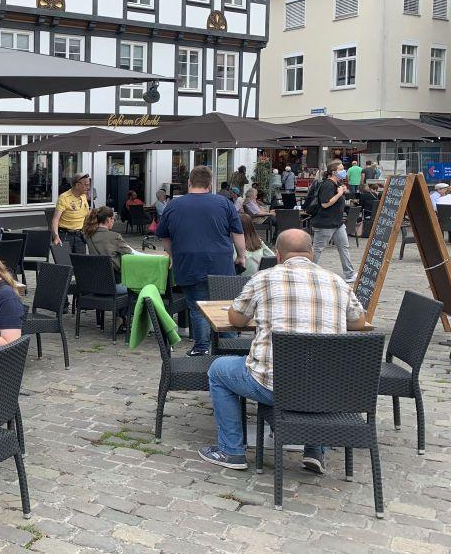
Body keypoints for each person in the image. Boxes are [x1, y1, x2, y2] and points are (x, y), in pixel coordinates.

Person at [198, 229, 367, 472]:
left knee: (218, 370)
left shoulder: (264, 279)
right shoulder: (337, 281)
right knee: (316, 367)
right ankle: (315, 450)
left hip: (272, 386)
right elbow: (359, 323)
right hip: (327, 390)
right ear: (311, 253)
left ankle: (231, 450)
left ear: (278, 255)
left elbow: (236, 319)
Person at [156, 165, 245, 357]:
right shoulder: (224, 203)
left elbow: (164, 236)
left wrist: (173, 254)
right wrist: (242, 256)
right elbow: (237, 232)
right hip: (220, 262)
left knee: (197, 306)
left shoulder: (173, 205)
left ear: (189, 182)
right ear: (210, 184)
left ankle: (201, 347)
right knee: (224, 306)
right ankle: (229, 347)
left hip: (188, 261)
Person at [310, 160, 355, 283]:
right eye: (341, 169)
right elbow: (325, 203)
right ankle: (309, 273)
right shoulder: (328, 185)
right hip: (325, 223)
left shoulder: (336, 184)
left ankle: (349, 273)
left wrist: (342, 191)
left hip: (337, 223)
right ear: (334, 172)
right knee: (318, 248)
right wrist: (339, 194)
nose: (344, 171)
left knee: (344, 247)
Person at [83, 206, 133, 275]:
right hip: (114, 278)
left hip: (95, 276)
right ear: (109, 219)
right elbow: (129, 252)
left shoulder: (88, 235)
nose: (114, 221)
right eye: (114, 219)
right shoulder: (115, 236)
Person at [50, 172, 91, 253]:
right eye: (86, 185)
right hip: (65, 235)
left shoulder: (84, 196)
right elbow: (55, 219)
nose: (88, 187)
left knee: (81, 262)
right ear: (77, 185)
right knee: (64, 263)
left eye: (88, 184)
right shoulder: (64, 197)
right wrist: (56, 236)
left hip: (79, 235)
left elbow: (87, 215)